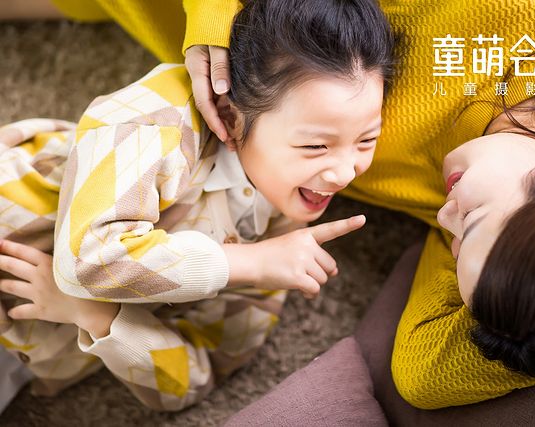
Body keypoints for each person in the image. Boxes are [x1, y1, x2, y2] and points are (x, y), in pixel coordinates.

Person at [4, 0, 535, 412]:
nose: (442, 222)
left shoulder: (499, 241)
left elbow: (423, 375)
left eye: (457, 242)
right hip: (215, 53)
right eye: (467, 221)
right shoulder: (509, 24)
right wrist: (214, 23)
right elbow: (90, 259)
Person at [0, 0, 398, 411]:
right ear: (230, 115)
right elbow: (86, 261)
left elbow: (191, 379)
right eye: (315, 146)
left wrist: (98, 316)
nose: (345, 173)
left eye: (366, 140)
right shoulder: (158, 115)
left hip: (23, 359)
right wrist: (247, 262)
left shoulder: (282, 239)